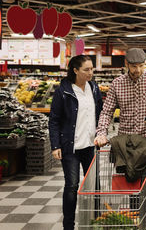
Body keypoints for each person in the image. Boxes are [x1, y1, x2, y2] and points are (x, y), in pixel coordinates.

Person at [48, 55, 103, 230]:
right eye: (86, 69)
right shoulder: (63, 91)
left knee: (95, 185)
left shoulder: (93, 88)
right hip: (71, 147)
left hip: (90, 145)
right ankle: (68, 226)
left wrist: (102, 133)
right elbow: (54, 120)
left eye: (92, 69)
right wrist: (55, 145)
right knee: (71, 186)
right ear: (75, 70)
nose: (91, 72)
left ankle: (97, 221)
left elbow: (101, 113)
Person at [94, 48, 146, 147]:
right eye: (134, 66)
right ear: (127, 64)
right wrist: (101, 134)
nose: (138, 70)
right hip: (125, 140)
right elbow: (107, 112)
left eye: (141, 66)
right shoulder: (117, 83)